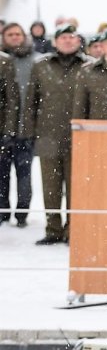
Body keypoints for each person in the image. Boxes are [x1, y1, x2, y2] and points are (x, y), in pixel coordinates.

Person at [23, 24, 92, 245]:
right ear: (55, 42)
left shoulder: (88, 66)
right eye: (63, 38)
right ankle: (53, 228)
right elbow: (31, 100)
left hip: (78, 136)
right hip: (47, 135)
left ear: (78, 40)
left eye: (72, 37)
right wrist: (28, 131)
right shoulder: (41, 65)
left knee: (76, 187)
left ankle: (73, 229)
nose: (68, 41)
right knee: (50, 186)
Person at [1, 23, 30, 226]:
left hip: (25, 127)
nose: (14, 37)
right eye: (9, 34)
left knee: (24, 174)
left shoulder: (35, 61)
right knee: (2, 175)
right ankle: (3, 211)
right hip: (4, 127)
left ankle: (22, 213)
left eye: (17, 34)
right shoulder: (3, 60)